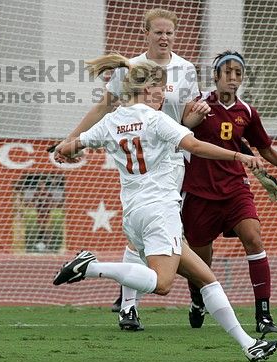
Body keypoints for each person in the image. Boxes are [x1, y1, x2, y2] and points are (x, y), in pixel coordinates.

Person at [53, 54, 277, 362]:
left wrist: (64, 150)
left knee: (206, 278)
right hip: (160, 211)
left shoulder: (111, 120)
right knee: (162, 284)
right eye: (158, 88)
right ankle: (91, 267)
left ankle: (248, 343)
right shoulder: (156, 119)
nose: (163, 94)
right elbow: (196, 146)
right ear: (143, 90)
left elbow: (72, 146)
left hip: (134, 215)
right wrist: (240, 158)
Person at [56, 8, 201, 325]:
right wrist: (71, 139)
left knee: (147, 232)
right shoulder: (129, 68)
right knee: (146, 230)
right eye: (158, 32)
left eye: (169, 33)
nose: (164, 38)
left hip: (171, 159)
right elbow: (104, 108)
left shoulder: (186, 69)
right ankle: (133, 303)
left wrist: (196, 117)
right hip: (138, 156)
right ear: (145, 33)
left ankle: (131, 302)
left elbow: (187, 122)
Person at [180, 50, 277, 336]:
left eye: (238, 73)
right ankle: (197, 300)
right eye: (227, 72)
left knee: (253, 238)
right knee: (200, 261)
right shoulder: (198, 105)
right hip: (200, 193)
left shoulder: (247, 112)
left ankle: (263, 314)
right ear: (215, 76)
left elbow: (265, 150)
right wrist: (190, 120)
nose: (233, 78)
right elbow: (177, 135)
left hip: (236, 190)